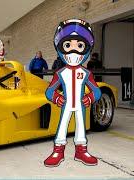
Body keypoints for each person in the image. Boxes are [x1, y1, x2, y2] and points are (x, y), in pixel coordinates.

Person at [44, 19, 101, 167]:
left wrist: (90, 97)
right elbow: (50, 91)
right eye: (68, 45)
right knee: (62, 125)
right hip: (66, 104)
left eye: (80, 45)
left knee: (81, 126)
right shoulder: (61, 73)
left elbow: (96, 91)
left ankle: (81, 151)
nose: (74, 50)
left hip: (81, 104)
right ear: (60, 47)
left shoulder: (86, 73)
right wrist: (56, 97)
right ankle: (58, 151)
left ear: (87, 47)